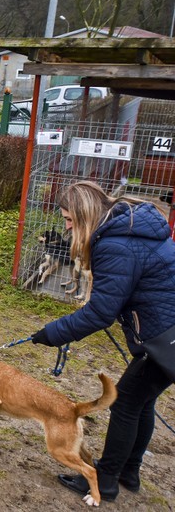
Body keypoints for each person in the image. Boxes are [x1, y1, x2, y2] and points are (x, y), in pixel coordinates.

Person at [30, 181, 174, 504]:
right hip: (164, 331)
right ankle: (129, 473)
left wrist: (52, 333)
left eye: (69, 220)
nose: (66, 227)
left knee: (123, 403)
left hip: (164, 335)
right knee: (142, 401)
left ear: (84, 215)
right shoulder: (129, 224)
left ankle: (105, 481)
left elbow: (99, 313)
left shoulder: (115, 244)